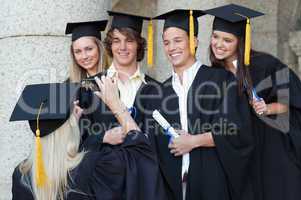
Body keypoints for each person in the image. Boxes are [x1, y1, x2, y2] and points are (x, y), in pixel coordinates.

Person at [152, 9, 254, 200]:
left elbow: (238, 132)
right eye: (166, 42)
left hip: (213, 184)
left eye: (178, 40)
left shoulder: (221, 80)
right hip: (174, 189)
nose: (171, 47)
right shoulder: (162, 91)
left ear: (194, 41)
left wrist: (194, 141)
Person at [205, 3, 301, 200]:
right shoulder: (212, 75)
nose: (218, 44)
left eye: (227, 40)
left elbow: (291, 100)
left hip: (272, 148)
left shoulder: (265, 64)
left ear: (240, 42)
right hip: (240, 153)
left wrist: (266, 108)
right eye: (215, 37)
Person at [10, 82, 162, 200]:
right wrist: (116, 105)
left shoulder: (21, 175)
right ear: (70, 127)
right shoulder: (95, 166)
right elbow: (141, 157)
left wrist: (70, 121)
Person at [81, 11, 161, 150]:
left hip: (141, 170)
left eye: (129, 40)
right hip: (101, 169)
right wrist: (103, 138)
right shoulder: (90, 86)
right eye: (116, 41)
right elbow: (78, 142)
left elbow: (159, 144)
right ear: (110, 45)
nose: (122, 47)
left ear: (139, 45)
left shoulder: (156, 89)